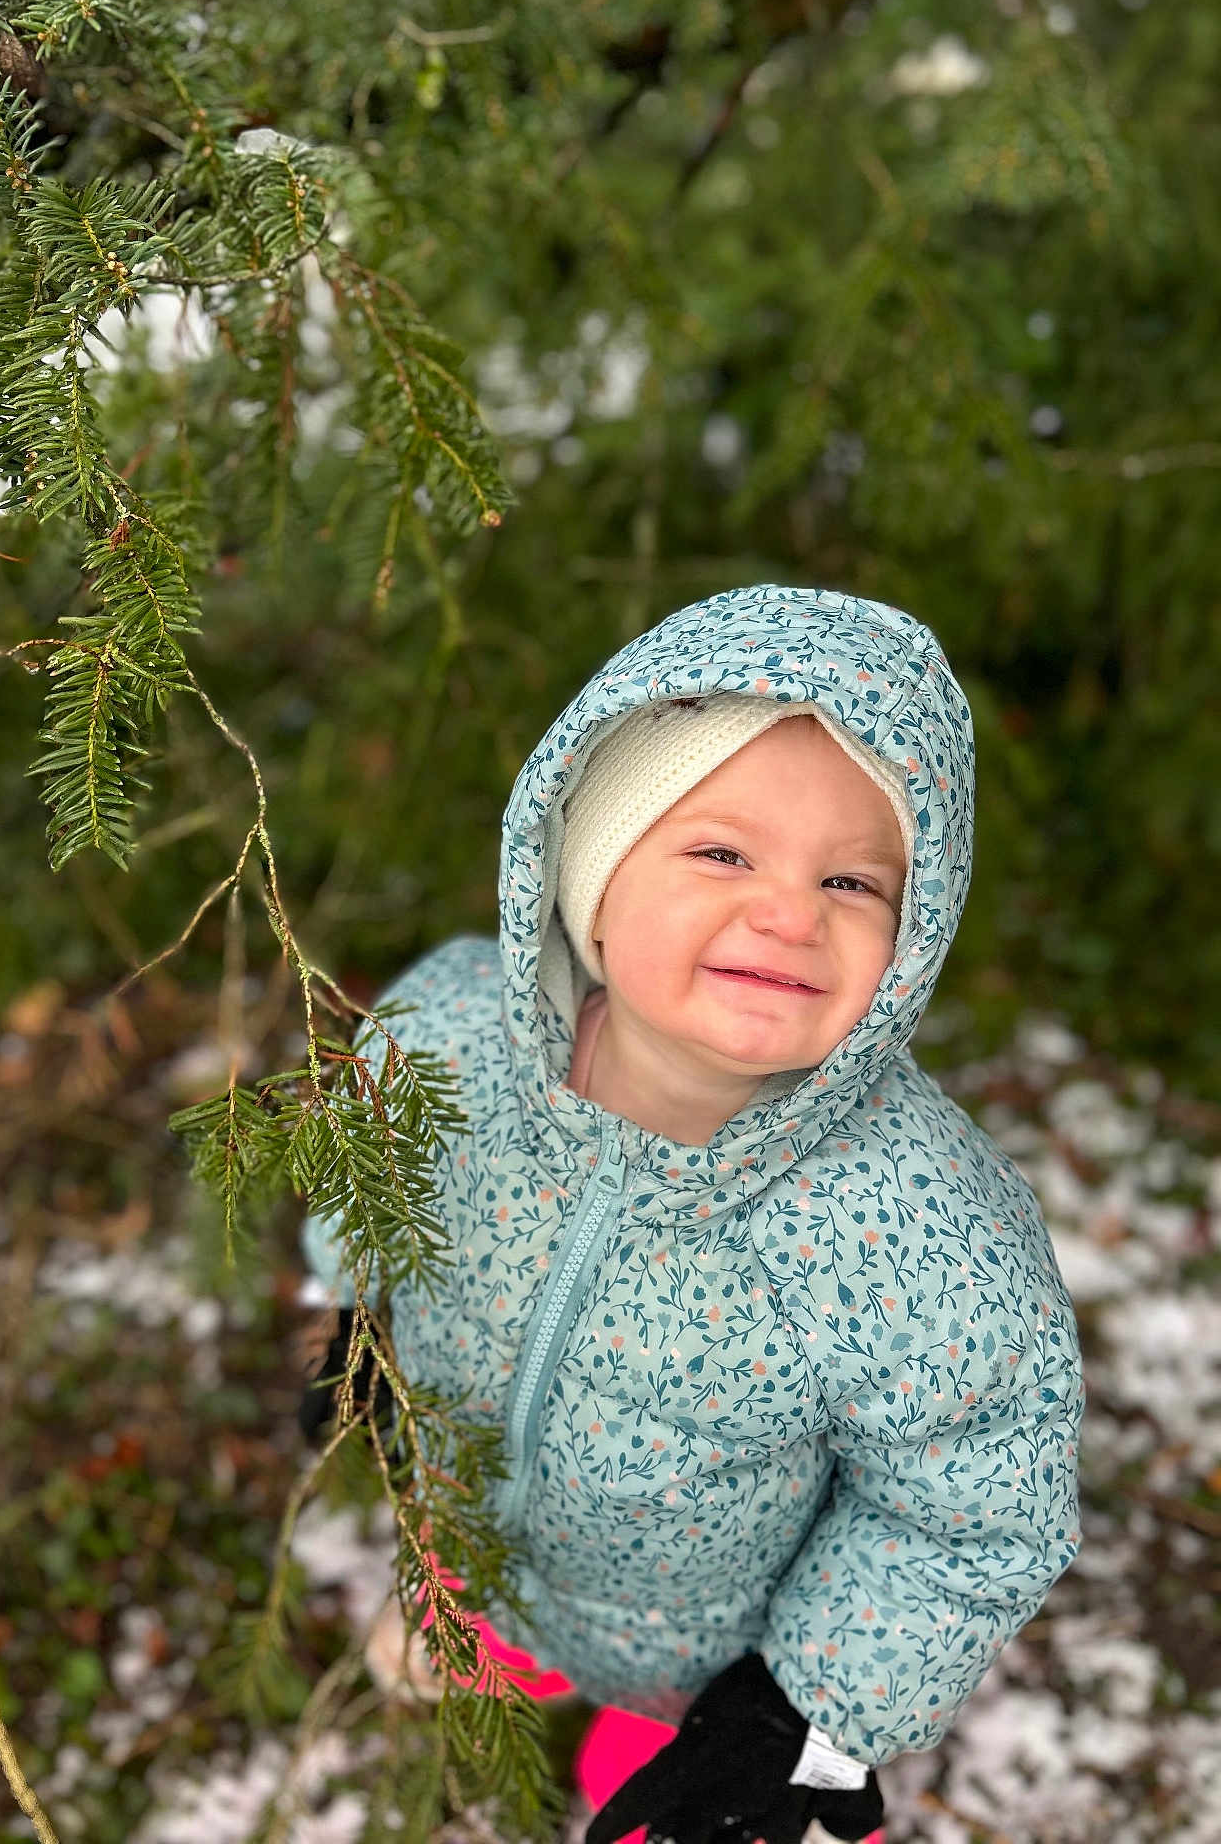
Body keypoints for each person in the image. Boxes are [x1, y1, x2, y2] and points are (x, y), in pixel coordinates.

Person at [302, 583, 1084, 1844]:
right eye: (722, 851)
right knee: (482, 1591)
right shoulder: (449, 1032)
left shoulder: (917, 1230)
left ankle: (688, 1734)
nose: (790, 912)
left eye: (852, 880)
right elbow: (367, 1177)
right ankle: (499, 1632)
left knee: (680, 1791)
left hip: (717, 1644)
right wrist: (352, 1306)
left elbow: (975, 1503)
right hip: (481, 1512)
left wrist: (796, 1707)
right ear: (587, 872)